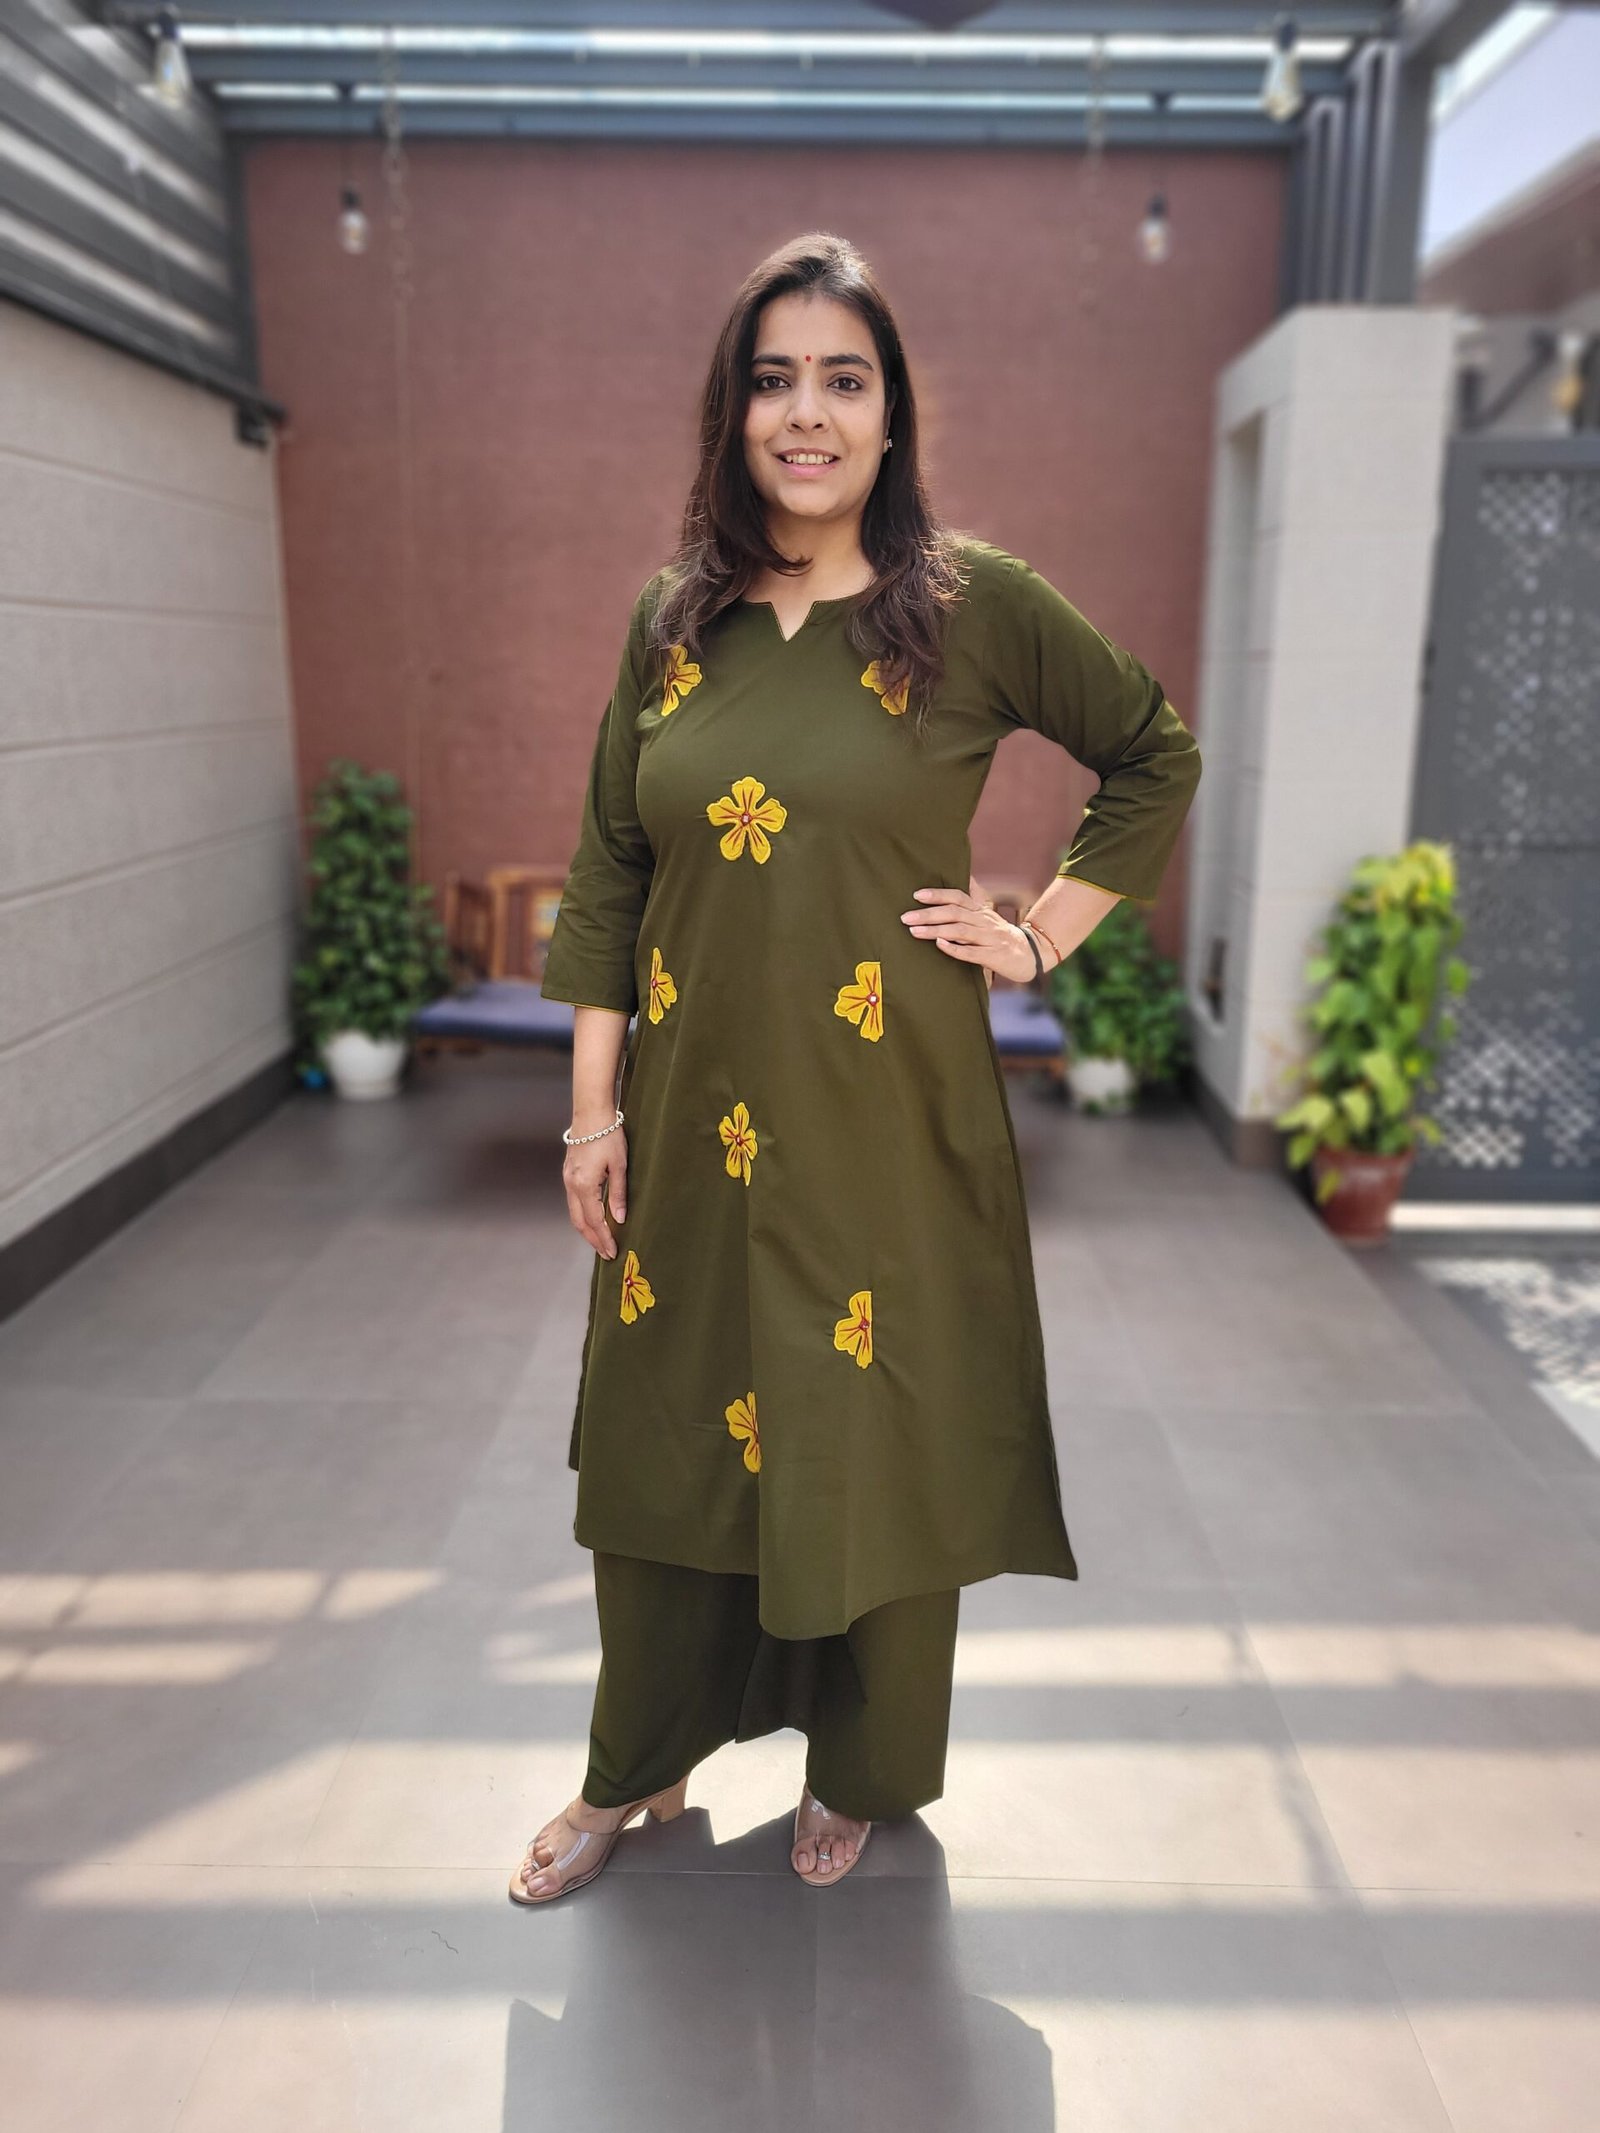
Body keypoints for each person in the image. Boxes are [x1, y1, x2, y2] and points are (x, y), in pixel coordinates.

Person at [510, 230, 1202, 1904]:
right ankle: (637, 1759)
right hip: (685, 1121)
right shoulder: (672, 620)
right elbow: (610, 868)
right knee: (669, 1436)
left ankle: (864, 1767)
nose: (805, 414)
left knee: (872, 1429)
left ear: (892, 415)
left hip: (887, 1113)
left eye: (842, 378)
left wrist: (1037, 935)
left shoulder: (967, 608)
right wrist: (590, 1115)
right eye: (773, 380)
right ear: (732, 412)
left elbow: (1151, 751)